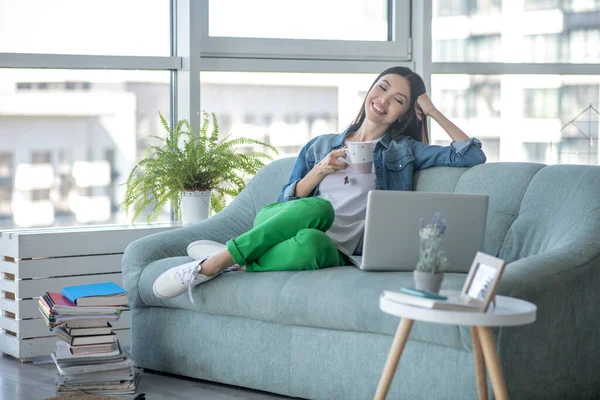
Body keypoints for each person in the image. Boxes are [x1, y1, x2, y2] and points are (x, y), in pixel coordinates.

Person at [153, 66, 487, 301]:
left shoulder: (404, 151)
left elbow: (470, 156)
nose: (384, 99)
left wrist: (430, 109)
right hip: (282, 222)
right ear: (371, 89)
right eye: (382, 87)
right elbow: (286, 201)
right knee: (319, 207)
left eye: (399, 100)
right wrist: (320, 170)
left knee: (312, 244)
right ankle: (211, 265)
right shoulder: (320, 145)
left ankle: (234, 259)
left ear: (403, 114)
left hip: (336, 249)